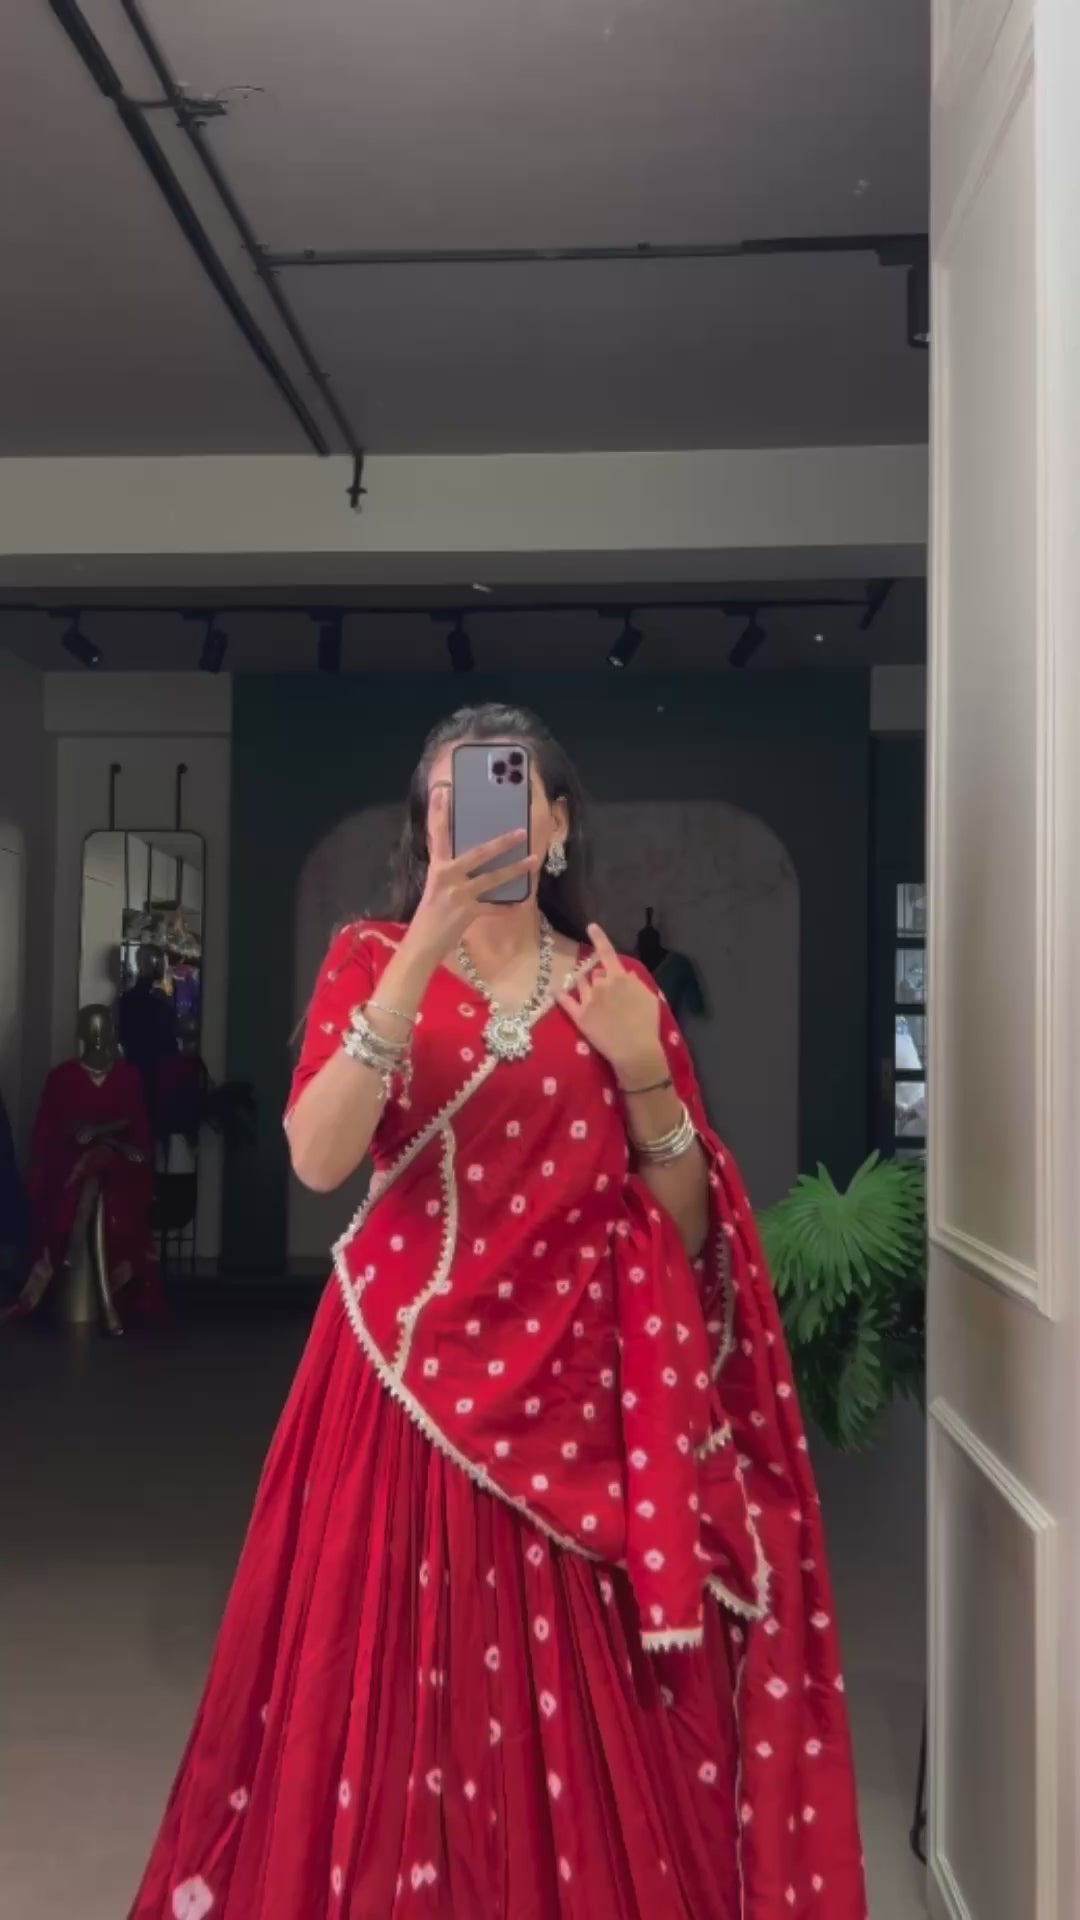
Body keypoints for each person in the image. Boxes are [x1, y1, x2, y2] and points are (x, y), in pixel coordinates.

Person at [132, 705, 865, 1920]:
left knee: (575, 1723)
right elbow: (318, 1159)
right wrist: (423, 947)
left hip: (576, 1403)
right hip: (403, 1392)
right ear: (423, 829)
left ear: (557, 824)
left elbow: (684, 1227)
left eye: (506, 793)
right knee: (384, 1702)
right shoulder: (372, 957)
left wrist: (640, 1062)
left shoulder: (619, 990)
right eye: (447, 800)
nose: (473, 819)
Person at [4, 1005, 161, 1332]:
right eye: (92, 1029)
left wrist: (101, 1134)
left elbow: (136, 1129)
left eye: (104, 1029)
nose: (98, 1036)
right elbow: (49, 1132)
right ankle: (107, 1307)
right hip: (72, 1166)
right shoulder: (62, 1077)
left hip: (117, 1165)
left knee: (100, 1167)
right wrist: (82, 1135)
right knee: (92, 1176)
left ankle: (76, 1244)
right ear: (81, 1033)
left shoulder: (126, 1076)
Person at [118, 944, 178, 1133]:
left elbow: (122, 1036)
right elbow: (170, 1033)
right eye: (163, 963)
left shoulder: (125, 999)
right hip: (158, 1070)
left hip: (134, 1066)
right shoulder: (159, 998)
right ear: (155, 964)